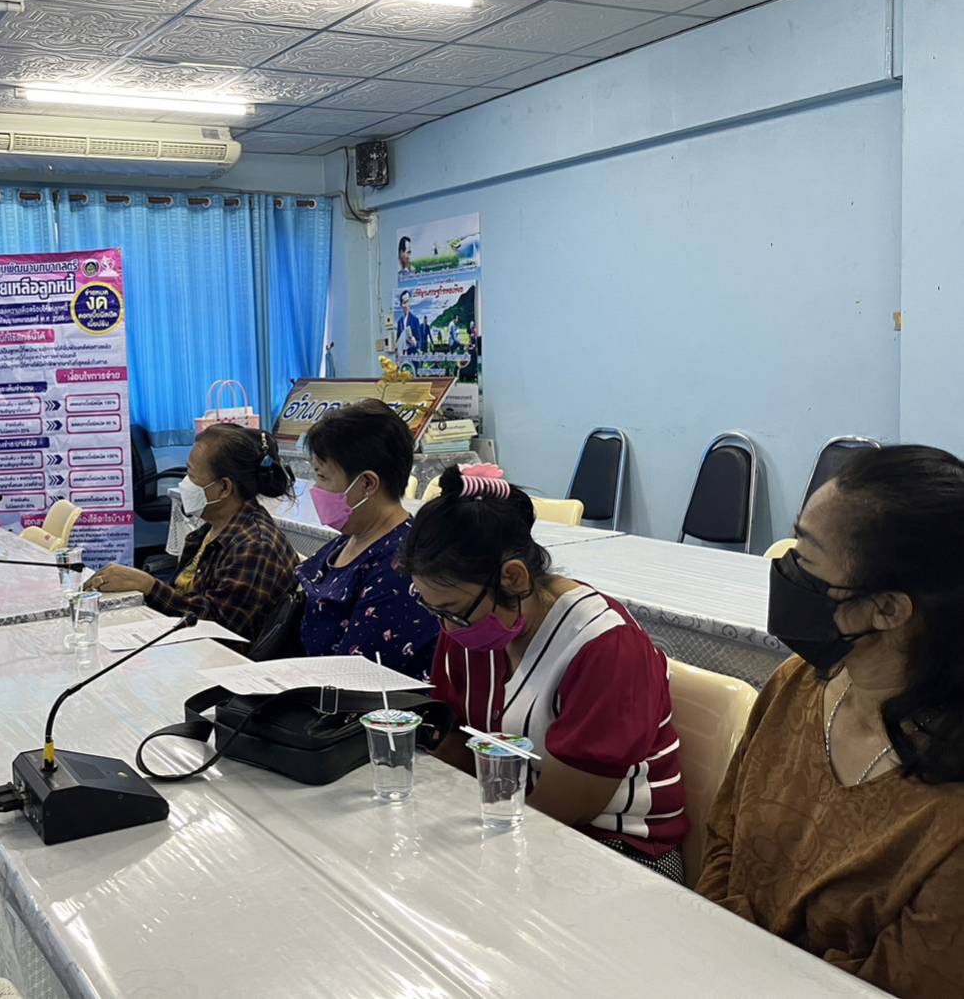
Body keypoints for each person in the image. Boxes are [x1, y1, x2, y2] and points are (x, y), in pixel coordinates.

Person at [698, 446, 964, 997]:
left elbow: (907, 983)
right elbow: (724, 838)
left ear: (887, 609)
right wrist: (719, 955)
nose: (786, 571)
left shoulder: (949, 805)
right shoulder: (798, 684)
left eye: (806, 561)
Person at [399, 465, 689, 880]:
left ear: (513, 577)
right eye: (434, 611)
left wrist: (473, 860)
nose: (446, 629)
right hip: (512, 819)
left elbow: (570, 806)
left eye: (452, 612)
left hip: (618, 847)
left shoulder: (605, 647)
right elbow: (456, 740)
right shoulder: (471, 625)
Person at [86, 424, 297, 638]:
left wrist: (150, 586)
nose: (184, 484)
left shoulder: (254, 546)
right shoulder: (212, 529)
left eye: (191, 475)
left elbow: (221, 629)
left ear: (224, 488)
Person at [298, 401, 439, 678]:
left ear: (367, 484)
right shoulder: (351, 539)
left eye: (322, 476)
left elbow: (358, 677)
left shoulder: (401, 568)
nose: (316, 489)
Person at [395, 290, 429, 356]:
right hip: (401, 357)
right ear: (401, 305)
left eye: (407, 301)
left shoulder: (415, 320)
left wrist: (415, 343)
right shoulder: (399, 322)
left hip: (412, 356)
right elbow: (398, 340)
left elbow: (419, 341)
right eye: (404, 302)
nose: (406, 305)